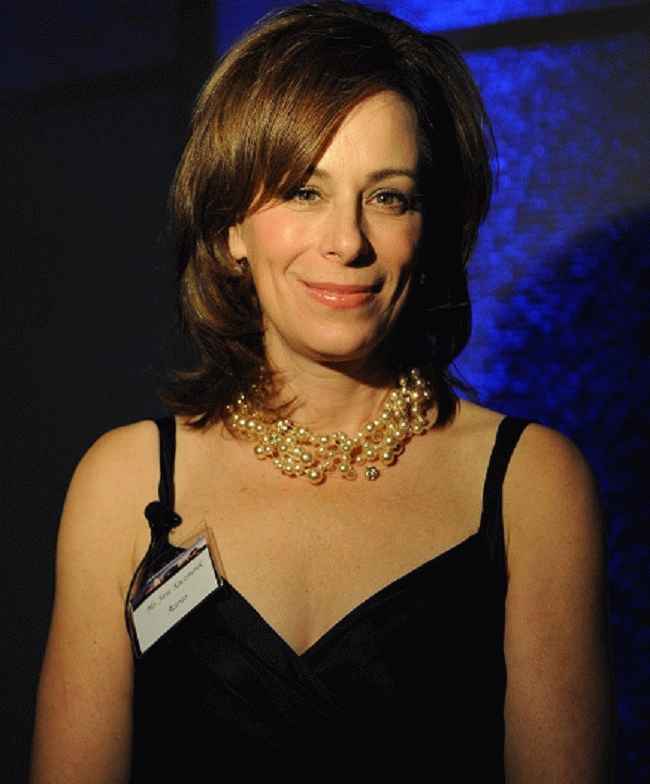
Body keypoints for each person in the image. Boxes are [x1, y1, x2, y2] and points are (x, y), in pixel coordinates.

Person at [30, 1, 614, 780]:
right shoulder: (125, 483)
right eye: (305, 191)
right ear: (231, 229)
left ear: (428, 231)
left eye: (389, 196)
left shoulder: (530, 484)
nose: (347, 241)